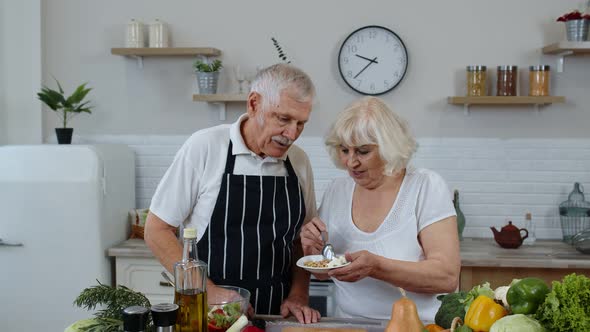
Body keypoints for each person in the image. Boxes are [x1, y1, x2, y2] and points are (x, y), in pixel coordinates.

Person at [145, 63, 320, 323]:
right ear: (253, 104)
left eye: (301, 123)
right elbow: (156, 230)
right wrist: (209, 290)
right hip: (210, 312)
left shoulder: (299, 161)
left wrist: (299, 294)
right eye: (283, 119)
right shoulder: (205, 147)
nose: (292, 134)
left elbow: (300, 241)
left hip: (277, 314)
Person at [300, 96, 460, 322]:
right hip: (350, 325)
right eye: (344, 150)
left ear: (389, 147)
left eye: (363, 152)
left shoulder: (425, 186)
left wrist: (376, 267)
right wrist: (311, 250)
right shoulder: (337, 190)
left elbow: (446, 276)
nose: (351, 162)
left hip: (419, 326)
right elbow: (323, 271)